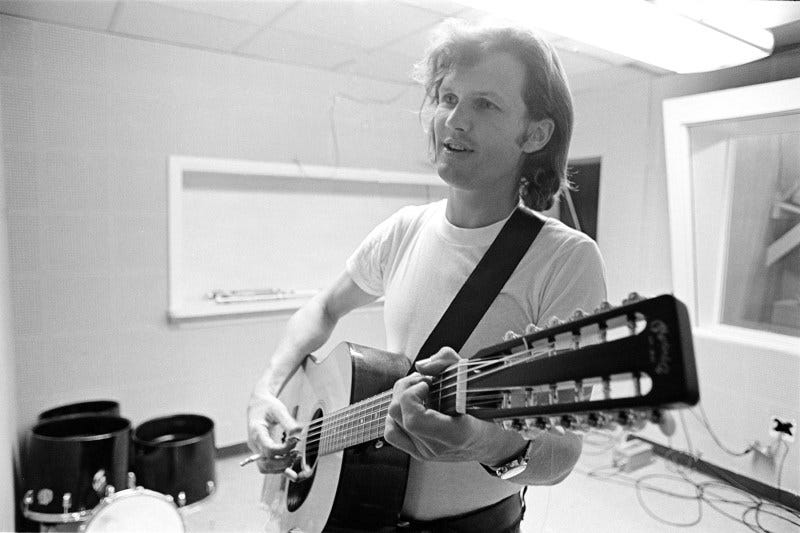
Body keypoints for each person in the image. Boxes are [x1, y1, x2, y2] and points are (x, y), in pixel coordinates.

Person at [247, 18, 607, 533]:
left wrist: (487, 442)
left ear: (535, 132)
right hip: (358, 513)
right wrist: (267, 390)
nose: (453, 120)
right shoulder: (403, 231)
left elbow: (563, 451)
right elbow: (324, 308)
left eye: (485, 104)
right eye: (446, 97)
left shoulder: (566, 261)